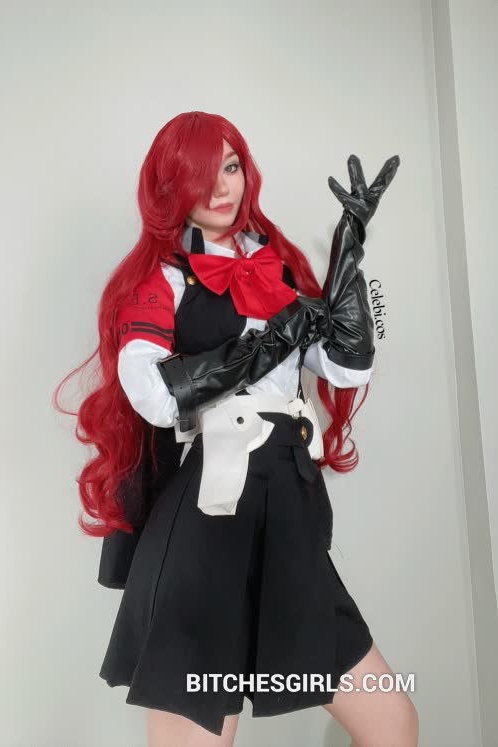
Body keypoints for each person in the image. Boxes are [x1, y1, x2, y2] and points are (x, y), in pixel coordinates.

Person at [53, 111, 418, 746]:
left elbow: (345, 366)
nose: (222, 188)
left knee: (392, 721)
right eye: (201, 174)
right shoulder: (162, 278)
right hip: (207, 521)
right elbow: (155, 395)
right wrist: (268, 342)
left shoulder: (277, 266)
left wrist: (349, 257)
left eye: (230, 166)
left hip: (289, 518)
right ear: (170, 188)